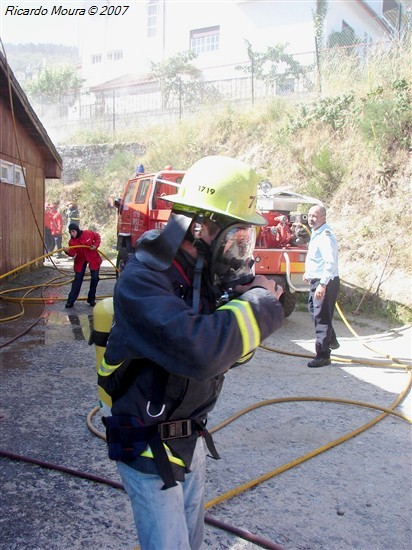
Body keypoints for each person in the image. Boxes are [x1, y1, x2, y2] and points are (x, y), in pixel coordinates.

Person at [97, 155, 285, 550]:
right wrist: (260, 305)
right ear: (199, 226)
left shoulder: (202, 277)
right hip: (146, 442)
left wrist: (251, 304)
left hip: (188, 438)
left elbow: (227, 356)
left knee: (191, 541)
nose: (241, 250)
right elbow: (202, 352)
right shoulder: (143, 280)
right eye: (236, 236)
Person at [303, 204, 340, 368]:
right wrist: (308, 274)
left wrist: (322, 284)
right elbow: (316, 259)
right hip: (317, 280)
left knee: (321, 318)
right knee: (313, 311)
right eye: (310, 215)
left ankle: (323, 354)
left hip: (324, 281)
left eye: (315, 216)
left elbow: (330, 262)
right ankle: (330, 339)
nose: (311, 219)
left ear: (323, 217)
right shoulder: (317, 232)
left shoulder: (325, 235)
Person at [63, 223, 102, 308]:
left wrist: (95, 246)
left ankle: (91, 299)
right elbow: (73, 254)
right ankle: (70, 301)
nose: (72, 234)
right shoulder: (72, 242)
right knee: (78, 279)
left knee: (95, 278)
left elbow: (97, 236)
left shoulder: (88, 233)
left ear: (77, 230)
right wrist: (67, 251)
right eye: (70, 232)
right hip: (80, 260)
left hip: (92, 257)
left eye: (73, 231)